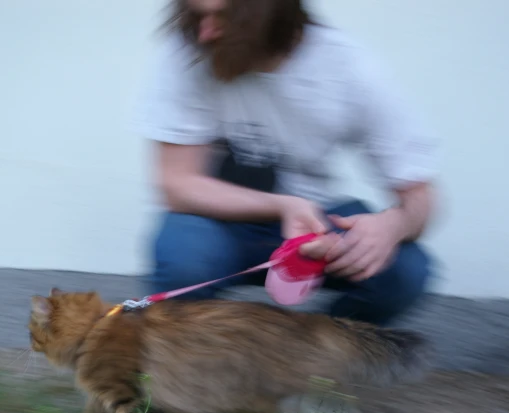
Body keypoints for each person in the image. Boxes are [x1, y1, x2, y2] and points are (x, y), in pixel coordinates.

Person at [133, 0, 440, 326]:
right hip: (217, 220)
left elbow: (419, 197)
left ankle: (320, 358)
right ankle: (190, 362)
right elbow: (178, 185)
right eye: (197, 15)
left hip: (317, 222)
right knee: (183, 260)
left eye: (222, 16)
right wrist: (283, 205)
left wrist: (392, 225)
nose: (206, 32)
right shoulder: (187, 52)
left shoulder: (349, 67)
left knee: (406, 271)